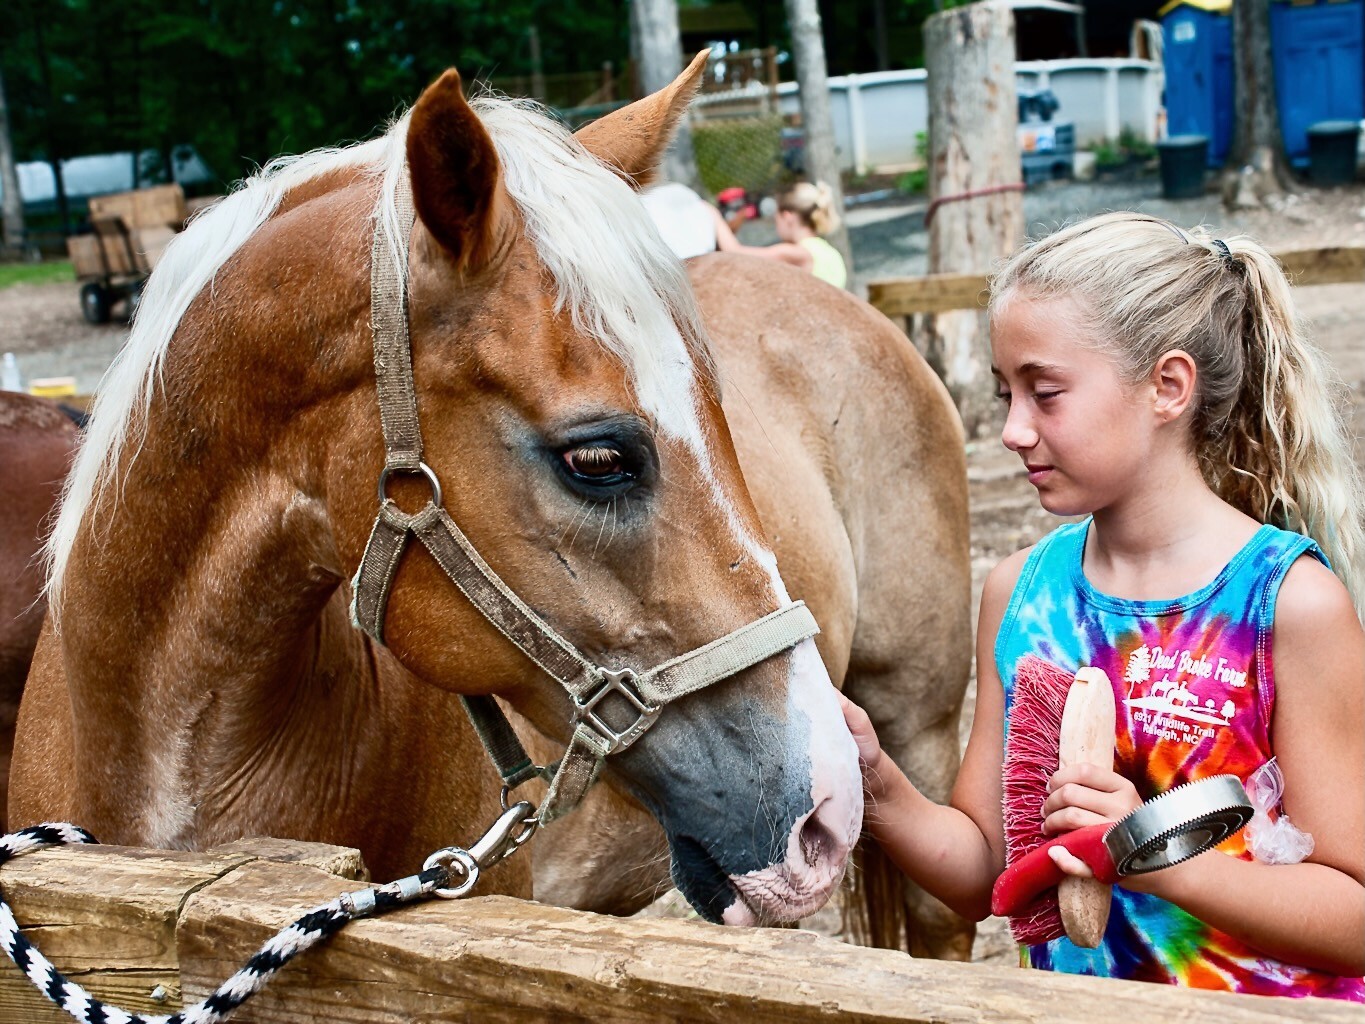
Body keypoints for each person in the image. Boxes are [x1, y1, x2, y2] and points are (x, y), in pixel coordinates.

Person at [842, 212, 1364, 999]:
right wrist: (875, 781)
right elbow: (981, 870)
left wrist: (1147, 853)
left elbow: (1354, 918)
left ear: (1166, 387)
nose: (1013, 430)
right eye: (1004, 393)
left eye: (1044, 393)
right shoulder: (1020, 595)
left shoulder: (1285, 603)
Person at [710, 180, 847, 289]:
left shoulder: (795, 253)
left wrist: (714, 215)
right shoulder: (830, 252)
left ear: (787, 217)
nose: (776, 227)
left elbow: (735, 252)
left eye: (777, 220)